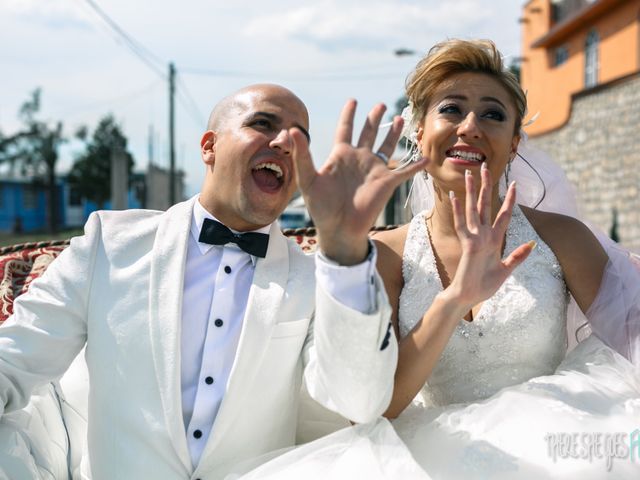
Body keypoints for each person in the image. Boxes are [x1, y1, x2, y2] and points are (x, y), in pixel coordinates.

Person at [232, 40, 640, 479]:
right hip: (422, 459)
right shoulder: (387, 254)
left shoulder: (561, 237)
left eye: (493, 114)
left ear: (515, 143)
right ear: (419, 133)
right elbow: (374, 410)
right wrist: (455, 298)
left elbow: (630, 339)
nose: (470, 127)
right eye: (451, 109)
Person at [0, 83, 429, 479]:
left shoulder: (320, 279)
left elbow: (359, 403)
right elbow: (14, 363)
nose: (285, 142)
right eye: (263, 124)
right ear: (209, 147)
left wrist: (345, 250)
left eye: (300, 137)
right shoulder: (108, 245)